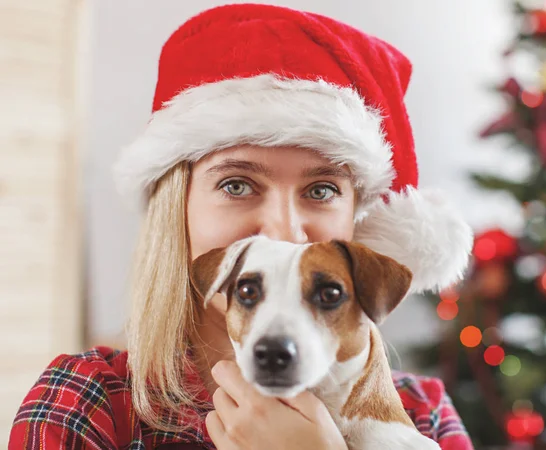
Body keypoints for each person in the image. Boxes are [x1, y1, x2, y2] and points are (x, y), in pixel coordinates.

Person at [9, 4, 475, 449]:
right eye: (236, 184)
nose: (283, 232)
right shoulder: (90, 404)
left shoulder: (423, 414)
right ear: (178, 206)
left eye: (321, 190)